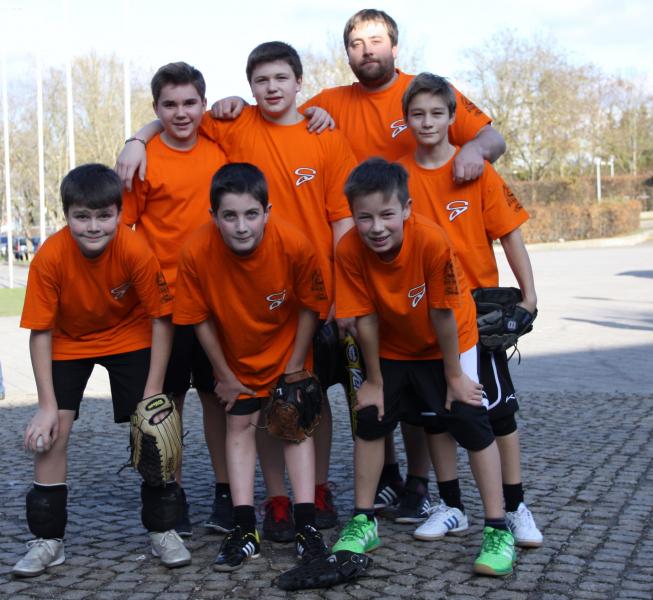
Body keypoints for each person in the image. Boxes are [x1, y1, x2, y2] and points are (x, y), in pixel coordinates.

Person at [115, 42, 357, 542]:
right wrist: (135, 139)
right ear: (249, 87)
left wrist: (341, 288)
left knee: (302, 396)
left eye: (281, 78)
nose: (271, 88)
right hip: (206, 297)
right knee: (214, 401)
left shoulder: (312, 135)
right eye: (261, 80)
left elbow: (341, 218)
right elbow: (173, 119)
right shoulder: (228, 125)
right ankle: (234, 497)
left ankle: (295, 490)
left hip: (298, 292)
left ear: (297, 81)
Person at [333, 158, 517, 576]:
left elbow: (444, 315)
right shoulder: (348, 250)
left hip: (449, 341)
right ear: (353, 217)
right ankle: (363, 521)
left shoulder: (432, 241)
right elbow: (365, 319)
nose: (376, 227)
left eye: (386, 215)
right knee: (370, 416)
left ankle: (497, 527)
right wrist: (375, 381)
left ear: (407, 209)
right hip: (394, 345)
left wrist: (454, 376)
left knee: (470, 417)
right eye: (365, 218)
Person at [12, 164, 184, 577]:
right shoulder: (50, 256)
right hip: (69, 341)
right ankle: (48, 541)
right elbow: (40, 333)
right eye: (82, 217)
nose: (93, 227)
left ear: (120, 213)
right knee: (53, 434)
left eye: (103, 215)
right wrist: (46, 406)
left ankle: (164, 529)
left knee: (156, 431)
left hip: (129, 336)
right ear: (66, 216)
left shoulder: (135, 249)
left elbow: (162, 320)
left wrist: (153, 395)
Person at [398, 72, 542, 547]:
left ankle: (516, 505)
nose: (427, 122)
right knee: (435, 416)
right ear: (406, 119)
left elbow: (509, 233)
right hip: (422, 314)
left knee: (497, 412)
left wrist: (529, 294)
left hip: (476, 315)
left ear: (452, 118)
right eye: (417, 114)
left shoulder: (476, 168)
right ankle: (451, 505)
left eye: (437, 113)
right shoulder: (397, 177)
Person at [173, 162, 331, 571]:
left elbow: (313, 306)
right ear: (214, 217)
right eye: (229, 216)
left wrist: (296, 365)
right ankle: (244, 529)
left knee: (295, 429)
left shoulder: (294, 244)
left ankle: (307, 528)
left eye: (251, 214)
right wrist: (223, 374)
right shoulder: (195, 251)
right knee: (238, 426)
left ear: (267, 211)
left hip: (286, 350)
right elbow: (197, 317)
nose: (241, 226)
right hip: (235, 355)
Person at [121, 62, 231, 536]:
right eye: (169, 105)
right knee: (168, 404)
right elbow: (126, 228)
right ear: (156, 109)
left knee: (218, 399)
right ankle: (173, 495)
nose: (180, 113)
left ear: (203, 106)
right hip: (163, 306)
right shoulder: (144, 159)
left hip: (214, 299)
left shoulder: (220, 151)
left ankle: (228, 494)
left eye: (190, 103)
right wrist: (137, 139)